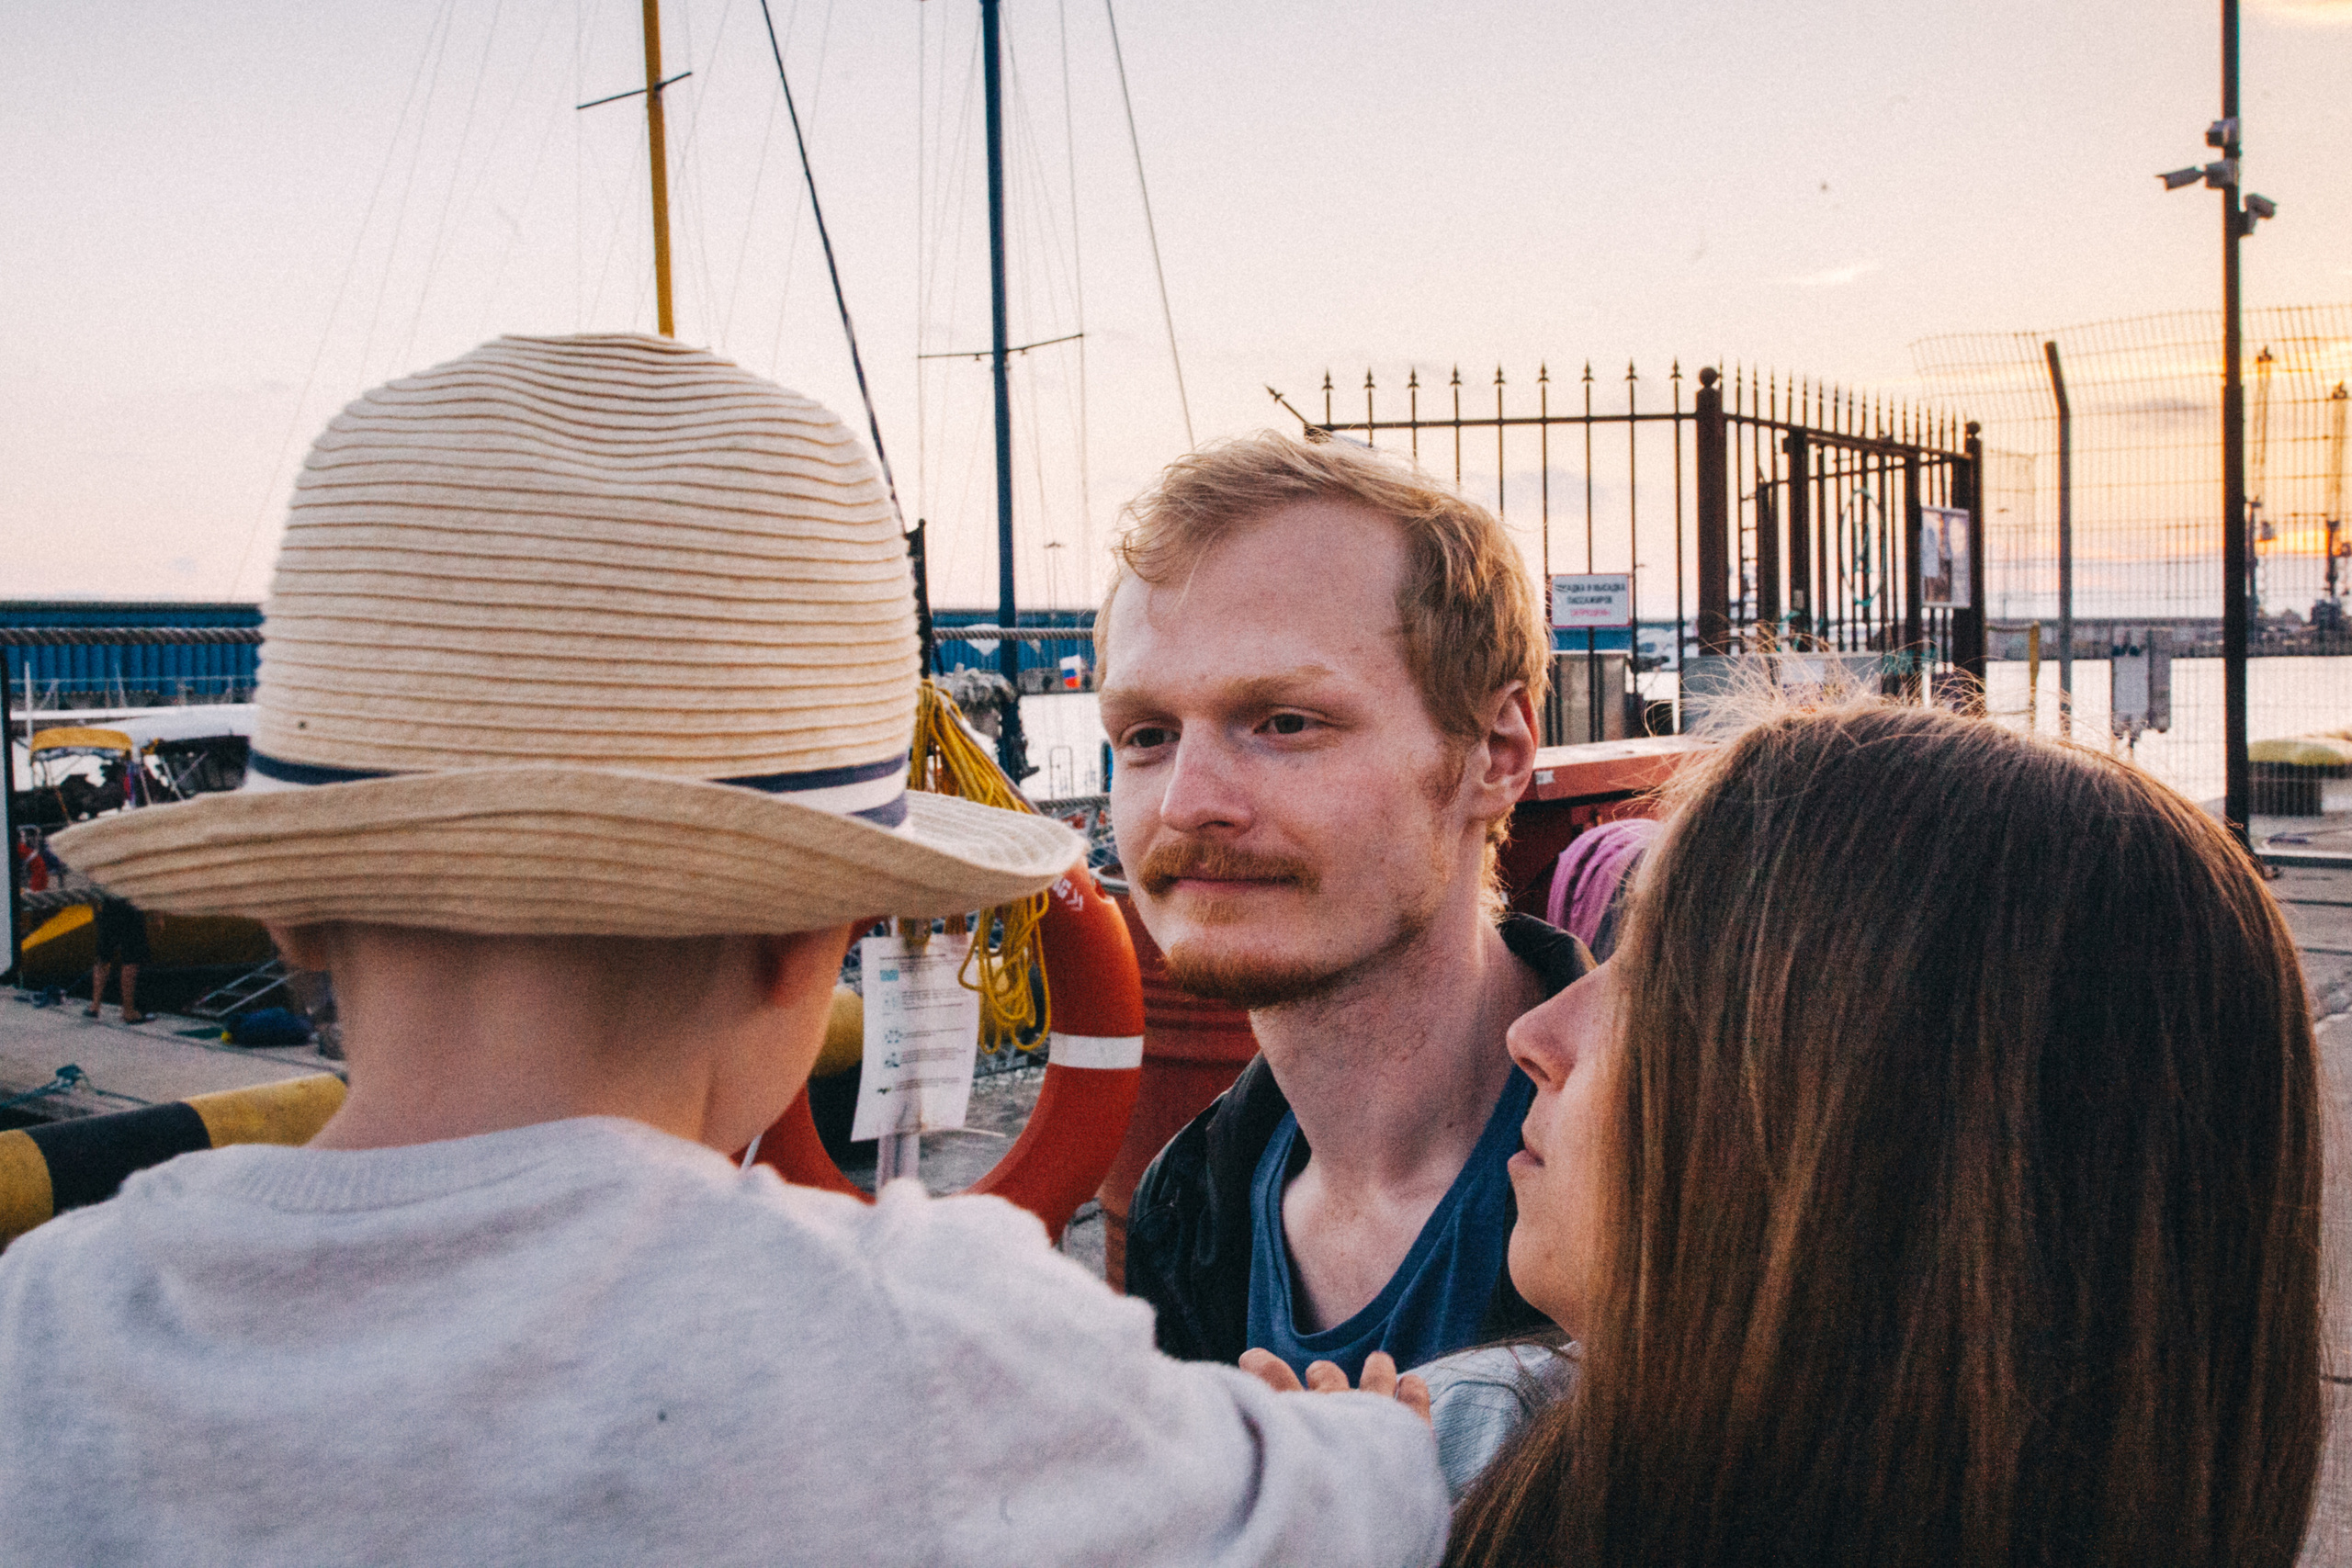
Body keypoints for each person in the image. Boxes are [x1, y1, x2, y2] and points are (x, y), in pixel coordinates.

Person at [0, 334, 1448, 1566]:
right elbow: (1395, 1498)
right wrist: (1382, 1430)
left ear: (289, 907)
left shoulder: (44, 1326)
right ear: (806, 936)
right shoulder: (919, 1339)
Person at [1447, 699, 2325, 1566]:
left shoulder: (1439, 1481)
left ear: (1881, 1153)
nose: (1534, 1036)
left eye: (1649, 979)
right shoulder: (1455, 1451)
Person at [1102, 432, 1590, 1381]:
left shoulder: (1685, 1178)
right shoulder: (1188, 1204)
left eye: (1284, 723)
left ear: (1496, 753)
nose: (1187, 801)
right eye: (1147, 734)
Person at [86, 893, 149, 1023]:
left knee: (103, 959)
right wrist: (157, 916)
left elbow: (92, 888)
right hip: (131, 909)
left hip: (108, 909)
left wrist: (95, 911)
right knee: (130, 962)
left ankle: (94, 1006)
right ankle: (128, 1012)